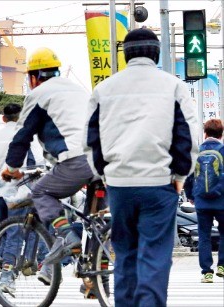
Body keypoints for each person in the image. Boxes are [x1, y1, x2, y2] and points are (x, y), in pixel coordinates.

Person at [83, 28, 199, 306]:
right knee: (154, 258)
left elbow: (90, 140)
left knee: (125, 256)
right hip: (160, 184)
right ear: (156, 53)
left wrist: (105, 174)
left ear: (125, 55)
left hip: (119, 185)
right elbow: (189, 136)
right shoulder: (173, 86)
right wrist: (180, 175)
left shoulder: (104, 89)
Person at [1, 48, 93, 267]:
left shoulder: (39, 94)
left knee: (41, 192)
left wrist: (12, 168)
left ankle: (66, 236)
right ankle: (96, 278)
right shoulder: (79, 90)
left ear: (34, 77)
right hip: (104, 160)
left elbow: (22, 136)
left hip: (75, 160)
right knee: (94, 222)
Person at [184, 119, 224, 283]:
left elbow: (188, 177)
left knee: (204, 236)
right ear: (221, 135)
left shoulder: (196, 152)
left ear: (205, 133)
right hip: (222, 200)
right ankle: (222, 265)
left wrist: (191, 196)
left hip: (202, 201)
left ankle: (207, 272)